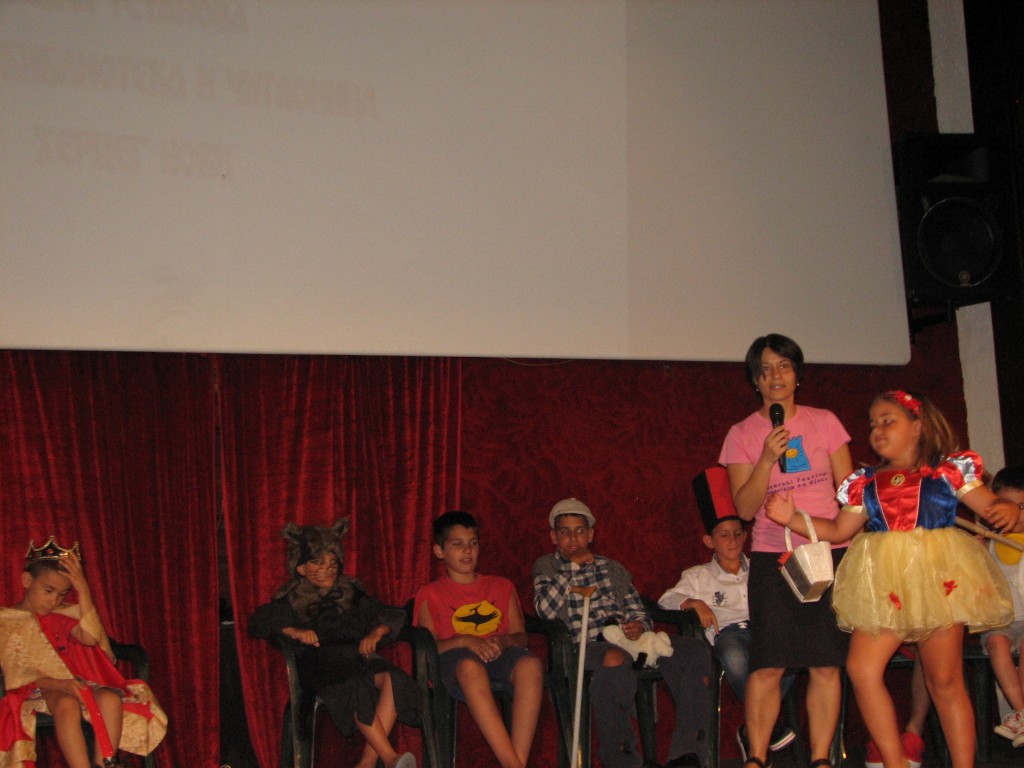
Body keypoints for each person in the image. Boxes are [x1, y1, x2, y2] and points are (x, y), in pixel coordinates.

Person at [766, 389, 1018, 768]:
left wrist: (1006, 509)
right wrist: (793, 519)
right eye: (872, 425)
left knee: (944, 681)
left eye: (888, 421)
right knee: (862, 669)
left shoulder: (946, 472)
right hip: (886, 583)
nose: (877, 431)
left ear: (918, 427)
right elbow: (838, 529)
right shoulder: (866, 482)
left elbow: (990, 505)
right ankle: (893, 760)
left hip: (937, 578)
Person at [718, 333, 853, 768]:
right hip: (774, 559)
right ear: (755, 381)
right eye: (765, 369)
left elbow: (851, 493)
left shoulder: (825, 422)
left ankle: (820, 758)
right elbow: (744, 508)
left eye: (784, 366)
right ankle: (757, 758)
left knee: (825, 664)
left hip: (829, 552)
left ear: (797, 375)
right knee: (768, 664)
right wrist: (764, 459)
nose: (775, 376)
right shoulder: (742, 433)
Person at [534, 497, 711, 768]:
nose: (573, 539)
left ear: (590, 535)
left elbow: (637, 609)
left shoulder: (611, 568)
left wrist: (638, 626)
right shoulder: (547, 567)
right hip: (585, 645)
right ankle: (623, 759)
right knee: (614, 658)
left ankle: (687, 755)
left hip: (631, 642)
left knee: (693, 650)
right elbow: (544, 611)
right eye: (565, 532)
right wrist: (571, 568)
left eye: (579, 531)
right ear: (553, 537)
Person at [249, 519, 418, 768]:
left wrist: (377, 632)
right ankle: (388, 758)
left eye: (332, 562)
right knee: (355, 686)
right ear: (301, 568)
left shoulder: (350, 593)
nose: (327, 569)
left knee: (394, 679)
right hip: (322, 667)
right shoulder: (292, 598)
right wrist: (294, 631)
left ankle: (369, 762)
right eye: (318, 562)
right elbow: (260, 620)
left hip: (358, 658)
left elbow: (388, 613)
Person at [657, 467, 796, 760]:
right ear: (709, 541)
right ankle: (770, 725)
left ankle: (754, 729)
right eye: (723, 535)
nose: (732, 541)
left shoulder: (761, 567)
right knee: (735, 656)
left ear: (746, 536)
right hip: (730, 634)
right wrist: (694, 603)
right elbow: (666, 600)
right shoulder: (698, 575)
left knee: (793, 654)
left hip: (765, 631)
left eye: (737, 534)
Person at [0, 537, 167, 768]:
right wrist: (63, 685)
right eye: (48, 591)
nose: (54, 600)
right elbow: (19, 676)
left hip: (74, 684)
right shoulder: (7, 622)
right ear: (27, 580)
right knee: (66, 705)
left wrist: (83, 589)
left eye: (62, 594)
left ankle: (104, 763)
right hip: (36, 689)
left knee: (110, 699)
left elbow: (89, 637)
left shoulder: (60, 615)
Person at [414, 510, 542, 768]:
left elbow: (521, 637)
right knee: (471, 668)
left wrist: (504, 641)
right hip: (456, 658)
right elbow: (429, 646)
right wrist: (464, 641)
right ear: (439, 551)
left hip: (499, 652)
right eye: (457, 544)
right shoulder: (429, 593)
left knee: (531, 665)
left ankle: (516, 761)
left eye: (473, 543)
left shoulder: (501, 586)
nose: (467, 551)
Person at [981, 466, 1024, 747]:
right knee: (996, 644)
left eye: (1023, 507)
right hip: (1003, 619)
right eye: (1010, 506)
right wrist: (978, 549)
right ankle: (1021, 712)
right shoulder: (990, 542)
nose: (1017, 514)